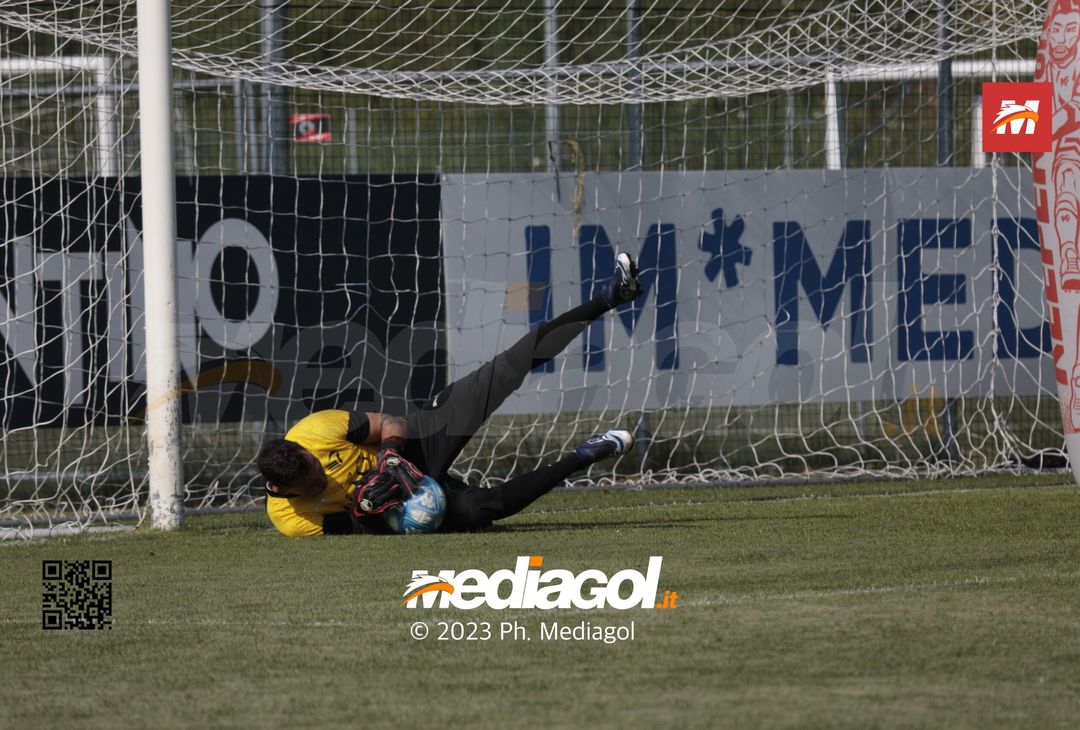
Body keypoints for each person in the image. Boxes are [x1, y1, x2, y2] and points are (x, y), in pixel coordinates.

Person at [257, 251, 645, 536]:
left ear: (303, 450)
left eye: (315, 466)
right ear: (286, 491)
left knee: (507, 369)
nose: (320, 477)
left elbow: (391, 423)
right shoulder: (292, 518)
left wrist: (390, 458)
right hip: (399, 506)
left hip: (413, 450)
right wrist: (369, 507)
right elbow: (359, 530)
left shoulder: (313, 432)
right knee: (480, 511)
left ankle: (611, 295)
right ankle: (589, 454)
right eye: (310, 484)